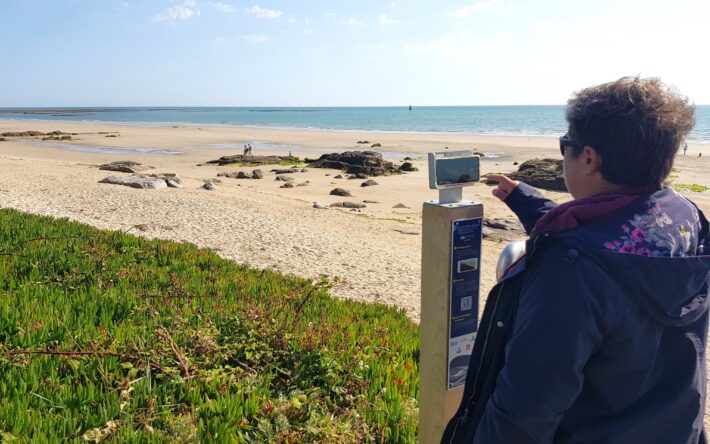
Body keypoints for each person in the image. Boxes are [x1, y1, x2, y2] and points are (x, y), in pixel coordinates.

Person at [441, 77, 710, 444]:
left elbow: (524, 412)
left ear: (588, 158)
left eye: (565, 145)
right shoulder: (685, 219)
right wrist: (528, 200)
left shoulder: (570, 273)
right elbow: (618, 236)